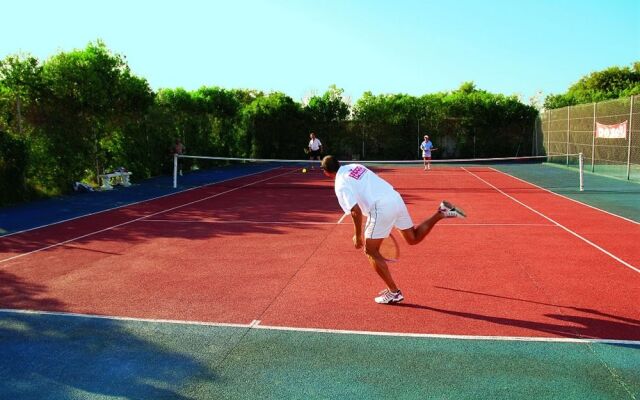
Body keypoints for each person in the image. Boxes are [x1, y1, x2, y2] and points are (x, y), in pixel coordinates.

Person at [321, 155, 465, 304]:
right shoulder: (354, 166)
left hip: (380, 208)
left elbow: (355, 211)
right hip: (394, 197)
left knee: (370, 251)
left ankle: (394, 292)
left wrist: (357, 236)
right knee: (413, 238)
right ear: (338, 163)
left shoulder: (340, 184)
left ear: (325, 172)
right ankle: (441, 212)